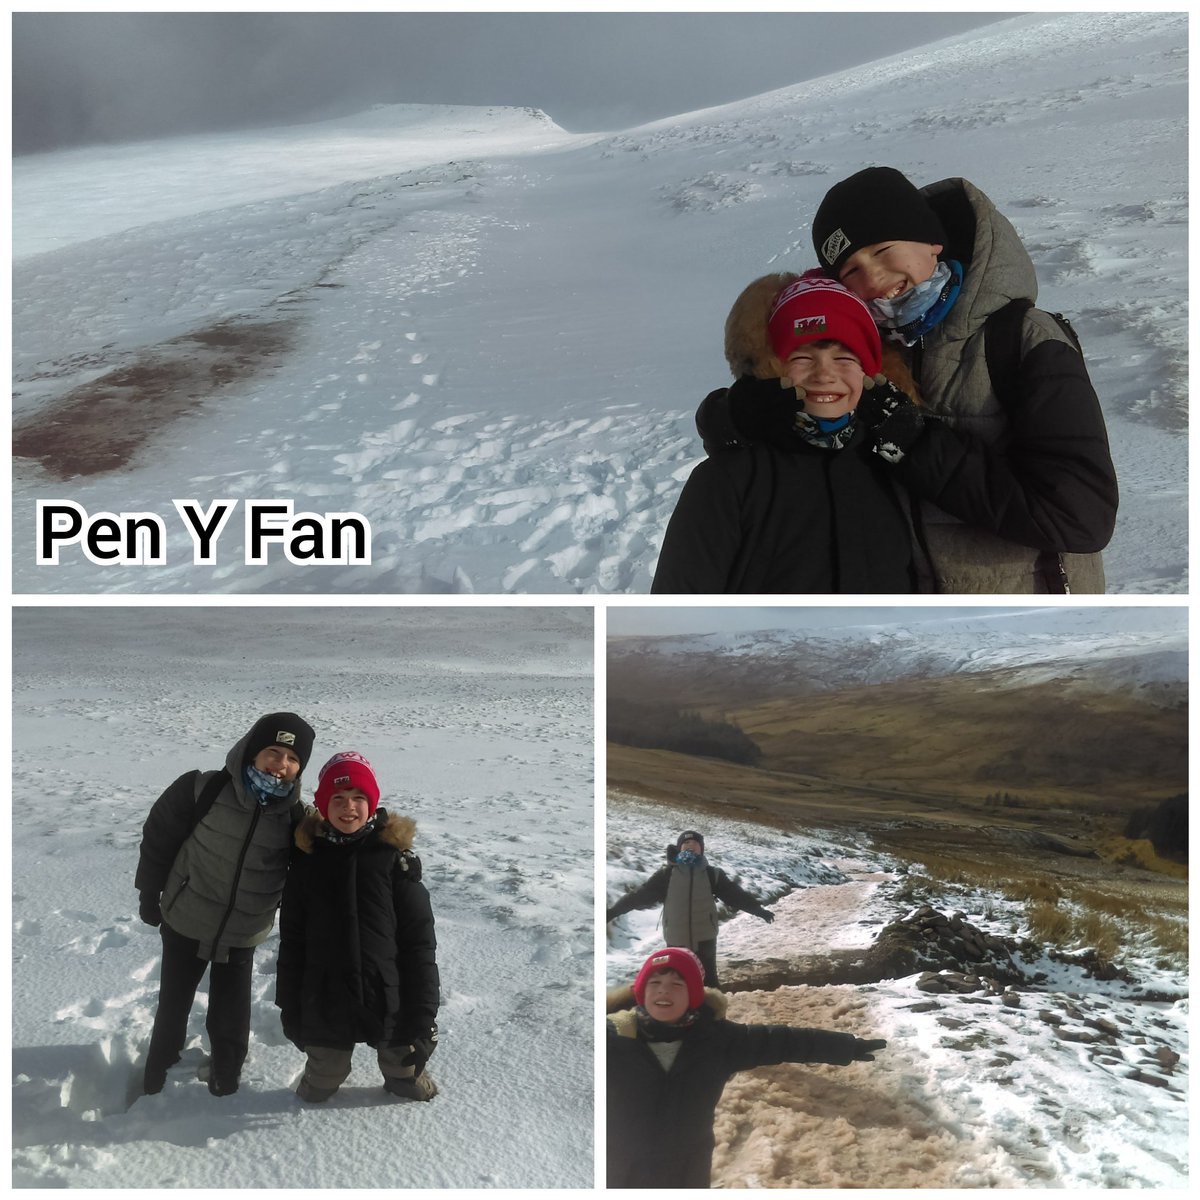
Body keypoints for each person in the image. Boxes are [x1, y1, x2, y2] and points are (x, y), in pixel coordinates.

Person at [808, 166, 1118, 593]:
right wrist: (744, 415)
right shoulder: (871, 357)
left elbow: (1080, 517)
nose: (873, 279)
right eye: (851, 272)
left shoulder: (1024, 337)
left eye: (882, 250)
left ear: (932, 241)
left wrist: (915, 444)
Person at [652, 269, 923, 593]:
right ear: (775, 369)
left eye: (844, 358)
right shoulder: (728, 480)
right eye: (804, 357)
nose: (825, 373)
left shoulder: (893, 467)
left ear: (869, 372)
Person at [135, 711, 316, 1097]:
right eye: (273, 752)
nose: (281, 766)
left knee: (231, 1015)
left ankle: (226, 1075)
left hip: (243, 930)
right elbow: (158, 837)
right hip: (187, 917)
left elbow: (325, 859)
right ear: (252, 750)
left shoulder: (297, 820)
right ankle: (158, 1072)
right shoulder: (202, 789)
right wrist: (149, 892)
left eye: (293, 759)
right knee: (172, 1005)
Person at [607, 946, 887, 1188]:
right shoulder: (613, 1037)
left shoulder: (718, 1040)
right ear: (641, 992)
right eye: (654, 983)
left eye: (676, 984)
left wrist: (846, 1047)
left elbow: (781, 1041)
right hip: (620, 1170)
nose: (663, 990)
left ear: (693, 997)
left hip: (688, 1169)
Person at [275, 751, 440, 1104]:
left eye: (358, 798)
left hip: (389, 993)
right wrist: (289, 1005)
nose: (348, 807)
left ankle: (404, 1077)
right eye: (338, 798)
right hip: (325, 995)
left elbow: (419, 944)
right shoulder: (307, 865)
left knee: (406, 1073)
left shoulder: (394, 861)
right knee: (321, 1081)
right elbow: (292, 942)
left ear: (372, 803)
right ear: (322, 804)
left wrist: (424, 1012)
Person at [606, 830, 774, 986]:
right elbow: (639, 896)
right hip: (675, 939)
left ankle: (712, 1017)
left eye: (695, 844)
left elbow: (735, 895)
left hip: (705, 939)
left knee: (709, 984)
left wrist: (758, 910)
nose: (691, 846)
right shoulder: (667, 874)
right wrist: (613, 911)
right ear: (679, 848)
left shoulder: (712, 874)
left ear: (702, 849)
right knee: (678, 982)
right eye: (686, 844)